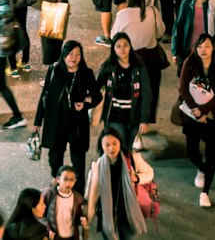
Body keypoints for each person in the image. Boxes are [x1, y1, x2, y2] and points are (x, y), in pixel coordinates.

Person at [33, 38, 101, 188]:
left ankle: (78, 194)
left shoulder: (86, 73)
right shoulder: (54, 70)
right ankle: (59, 185)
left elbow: (97, 96)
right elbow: (44, 96)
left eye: (77, 54)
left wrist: (85, 103)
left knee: (78, 161)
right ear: (64, 55)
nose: (74, 57)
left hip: (77, 125)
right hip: (57, 124)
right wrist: (37, 122)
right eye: (70, 54)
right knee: (55, 158)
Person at [179, 30, 215, 208]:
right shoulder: (189, 63)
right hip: (192, 116)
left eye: (207, 46)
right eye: (200, 46)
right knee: (191, 152)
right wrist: (196, 110)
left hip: (212, 117)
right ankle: (202, 168)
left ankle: (205, 192)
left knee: (211, 154)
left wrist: (205, 111)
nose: (204, 50)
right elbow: (183, 88)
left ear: (213, 47)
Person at [112, 0, 166, 125]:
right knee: (150, 93)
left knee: (133, 94)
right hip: (152, 59)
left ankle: (134, 126)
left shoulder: (122, 15)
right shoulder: (153, 11)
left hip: (131, 60)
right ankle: (146, 123)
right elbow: (161, 32)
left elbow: (114, 37)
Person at [84, 127, 151, 240]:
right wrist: (87, 213)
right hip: (106, 212)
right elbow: (90, 193)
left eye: (115, 143)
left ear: (120, 142)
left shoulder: (132, 159)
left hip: (127, 210)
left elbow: (150, 173)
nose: (111, 148)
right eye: (107, 144)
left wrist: (137, 178)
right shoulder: (97, 166)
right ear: (102, 146)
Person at [94, 34, 152, 152]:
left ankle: (125, 170)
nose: (122, 49)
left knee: (127, 150)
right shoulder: (108, 67)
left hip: (133, 118)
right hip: (114, 117)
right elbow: (95, 87)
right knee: (116, 149)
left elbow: (147, 93)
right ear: (113, 49)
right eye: (118, 46)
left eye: (126, 45)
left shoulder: (139, 67)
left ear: (130, 46)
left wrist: (144, 119)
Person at [172, 0, 215, 64]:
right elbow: (177, 29)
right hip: (188, 53)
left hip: (207, 54)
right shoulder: (186, 5)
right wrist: (175, 52)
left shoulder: (213, 7)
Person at [46, 165, 87, 240]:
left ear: (75, 181)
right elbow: (41, 215)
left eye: (72, 180)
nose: (68, 183)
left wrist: (82, 220)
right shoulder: (49, 194)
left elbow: (76, 218)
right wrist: (48, 229)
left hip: (71, 236)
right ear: (58, 179)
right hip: (55, 236)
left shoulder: (78, 198)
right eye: (65, 179)